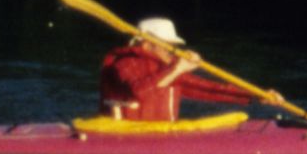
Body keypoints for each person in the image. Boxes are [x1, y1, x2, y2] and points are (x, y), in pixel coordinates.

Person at [96, 17, 275, 122]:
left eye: (173, 46)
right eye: (167, 45)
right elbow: (138, 91)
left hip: (159, 134)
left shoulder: (167, 67)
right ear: (147, 43)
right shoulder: (124, 63)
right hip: (124, 134)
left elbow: (207, 89)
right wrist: (176, 69)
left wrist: (256, 95)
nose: (172, 50)